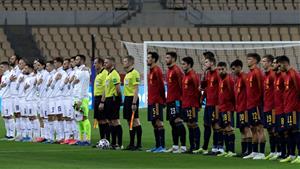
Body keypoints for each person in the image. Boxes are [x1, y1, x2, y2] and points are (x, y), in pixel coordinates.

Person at [277, 55, 300, 163]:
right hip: (287, 108)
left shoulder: (293, 74)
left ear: (285, 63)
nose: (278, 67)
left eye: (279, 64)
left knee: (296, 131)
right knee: (289, 131)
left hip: (294, 108)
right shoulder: (285, 75)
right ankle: (291, 155)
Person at [243, 53, 264, 160]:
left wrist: (259, 103)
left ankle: (262, 153)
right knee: (253, 128)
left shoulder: (257, 73)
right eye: (247, 59)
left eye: (250, 59)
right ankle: (254, 152)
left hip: (256, 105)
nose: (248, 61)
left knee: (259, 128)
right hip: (249, 105)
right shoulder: (249, 74)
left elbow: (261, 89)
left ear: (255, 61)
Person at [99, 57, 123, 149]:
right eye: (104, 62)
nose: (104, 64)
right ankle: (113, 143)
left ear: (112, 63)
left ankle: (119, 143)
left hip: (113, 100)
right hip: (108, 100)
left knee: (115, 121)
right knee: (110, 122)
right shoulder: (108, 75)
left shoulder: (114, 74)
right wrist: (102, 101)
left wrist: (119, 100)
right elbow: (105, 90)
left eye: (106, 62)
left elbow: (118, 89)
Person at [165, 52, 186, 153]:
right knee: (172, 123)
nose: (166, 59)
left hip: (176, 100)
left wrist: (181, 100)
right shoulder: (169, 71)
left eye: (168, 57)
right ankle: (175, 146)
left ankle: (183, 146)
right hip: (170, 100)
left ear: (173, 59)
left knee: (178, 121)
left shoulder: (177, 71)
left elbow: (182, 86)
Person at [230, 59, 252, 157]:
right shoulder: (237, 78)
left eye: (234, 69)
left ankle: (250, 151)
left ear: (239, 67)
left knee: (247, 129)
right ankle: (244, 151)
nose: (232, 71)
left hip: (245, 108)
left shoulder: (244, 77)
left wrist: (247, 107)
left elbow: (249, 93)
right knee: (242, 130)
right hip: (239, 108)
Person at [146, 52, 166, 153]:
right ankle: (157, 145)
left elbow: (161, 86)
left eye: (149, 58)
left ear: (154, 59)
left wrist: (163, 100)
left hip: (157, 101)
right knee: (154, 123)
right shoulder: (151, 71)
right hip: (151, 101)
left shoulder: (157, 70)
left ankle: (162, 146)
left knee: (159, 122)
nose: (147, 59)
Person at [216, 62, 236, 157]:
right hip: (221, 108)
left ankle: (231, 151)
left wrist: (231, 105)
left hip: (227, 108)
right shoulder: (221, 80)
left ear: (226, 69)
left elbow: (233, 94)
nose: (220, 71)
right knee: (223, 128)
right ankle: (227, 150)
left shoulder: (229, 80)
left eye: (222, 69)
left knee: (229, 128)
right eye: (219, 69)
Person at [122, 55, 143, 151]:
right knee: (129, 121)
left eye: (125, 61)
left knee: (135, 121)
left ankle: (138, 144)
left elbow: (136, 89)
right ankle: (131, 143)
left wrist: (134, 103)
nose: (123, 63)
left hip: (132, 99)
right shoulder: (127, 74)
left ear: (130, 63)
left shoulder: (135, 73)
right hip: (127, 98)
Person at [181, 56, 200, 154]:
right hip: (185, 104)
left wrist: (198, 104)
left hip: (192, 104)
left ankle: (196, 146)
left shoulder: (193, 76)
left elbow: (198, 90)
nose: (182, 66)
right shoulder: (185, 75)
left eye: (184, 64)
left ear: (189, 64)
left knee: (193, 124)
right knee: (189, 125)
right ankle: (192, 146)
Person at [93, 57, 109, 141]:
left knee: (104, 120)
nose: (94, 65)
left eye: (95, 63)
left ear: (100, 64)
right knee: (99, 120)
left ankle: (107, 139)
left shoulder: (105, 73)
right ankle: (102, 140)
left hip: (101, 99)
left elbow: (105, 89)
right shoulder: (98, 74)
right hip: (96, 98)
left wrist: (102, 101)